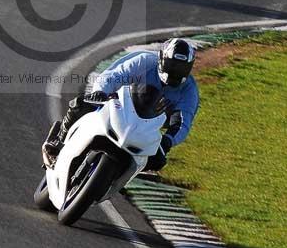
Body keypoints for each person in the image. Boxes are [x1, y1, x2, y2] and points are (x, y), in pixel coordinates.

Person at [42, 38, 199, 171]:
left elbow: (183, 122)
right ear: (161, 59)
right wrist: (101, 92)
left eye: (181, 68)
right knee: (81, 105)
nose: (175, 72)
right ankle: (58, 141)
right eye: (172, 65)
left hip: (148, 126)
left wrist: (168, 140)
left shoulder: (189, 90)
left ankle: (118, 176)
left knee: (157, 161)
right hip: (118, 104)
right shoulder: (144, 62)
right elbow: (114, 76)